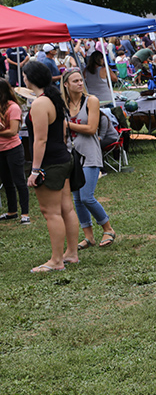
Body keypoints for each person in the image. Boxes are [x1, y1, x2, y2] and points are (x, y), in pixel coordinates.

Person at [23, 62, 80, 272]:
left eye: (25, 76)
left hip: (50, 163)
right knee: (66, 208)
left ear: (30, 79)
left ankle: (56, 261)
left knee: (51, 212)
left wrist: (35, 170)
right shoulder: (53, 99)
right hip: (63, 158)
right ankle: (71, 254)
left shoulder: (40, 104)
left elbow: (40, 140)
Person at [62, 70, 116, 249]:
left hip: (90, 152)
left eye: (80, 80)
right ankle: (89, 236)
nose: (79, 83)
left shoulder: (91, 100)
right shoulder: (63, 104)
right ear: (66, 84)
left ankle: (108, 228)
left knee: (86, 196)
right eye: (75, 81)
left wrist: (67, 125)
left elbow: (92, 128)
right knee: (77, 198)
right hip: (72, 153)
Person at [0, 79, 30, 224]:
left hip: (13, 149)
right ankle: (12, 212)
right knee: (6, 182)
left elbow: (13, 131)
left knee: (19, 181)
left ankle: (25, 214)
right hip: (1, 150)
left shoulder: (13, 108)